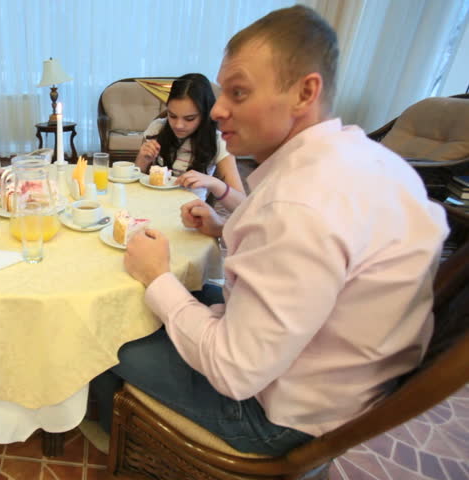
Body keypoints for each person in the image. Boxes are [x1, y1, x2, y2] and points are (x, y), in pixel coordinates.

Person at [93, 5, 449, 456]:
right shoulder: (370, 160)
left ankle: (115, 437)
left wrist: (157, 276)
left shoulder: (300, 206)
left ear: (305, 92)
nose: (218, 109)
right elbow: (302, 259)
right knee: (177, 293)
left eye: (238, 92)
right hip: (348, 376)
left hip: (283, 415)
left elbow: (232, 371)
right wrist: (223, 227)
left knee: (105, 333)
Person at [135, 73, 245, 210]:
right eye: (172, 116)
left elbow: (242, 205)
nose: (178, 125)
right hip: (153, 205)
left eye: (189, 118)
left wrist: (214, 183)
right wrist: (142, 161)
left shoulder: (218, 141)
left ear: (205, 114)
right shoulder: (157, 128)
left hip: (191, 213)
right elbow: (135, 183)